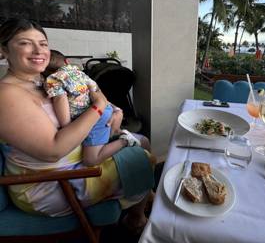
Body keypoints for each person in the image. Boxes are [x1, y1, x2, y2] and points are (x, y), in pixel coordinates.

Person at [0, 18, 154, 232]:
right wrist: (99, 107)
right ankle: (136, 215)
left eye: (43, 43)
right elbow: (54, 151)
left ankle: (137, 210)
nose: (38, 50)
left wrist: (114, 109)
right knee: (145, 159)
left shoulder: (40, 80)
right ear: (3, 50)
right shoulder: (6, 95)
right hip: (50, 184)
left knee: (143, 141)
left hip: (76, 160)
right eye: (25, 43)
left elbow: (87, 91)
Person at [44, 50, 141, 166]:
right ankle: (116, 135)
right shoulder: (80, 73)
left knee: (91, 160)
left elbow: (60, 99)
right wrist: (114, 108)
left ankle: (125, 141)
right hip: (104, 109)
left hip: (95, 116)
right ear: (67, 61)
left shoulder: (53, 79)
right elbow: (96, 89)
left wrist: (67, 126)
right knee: (103, 137)